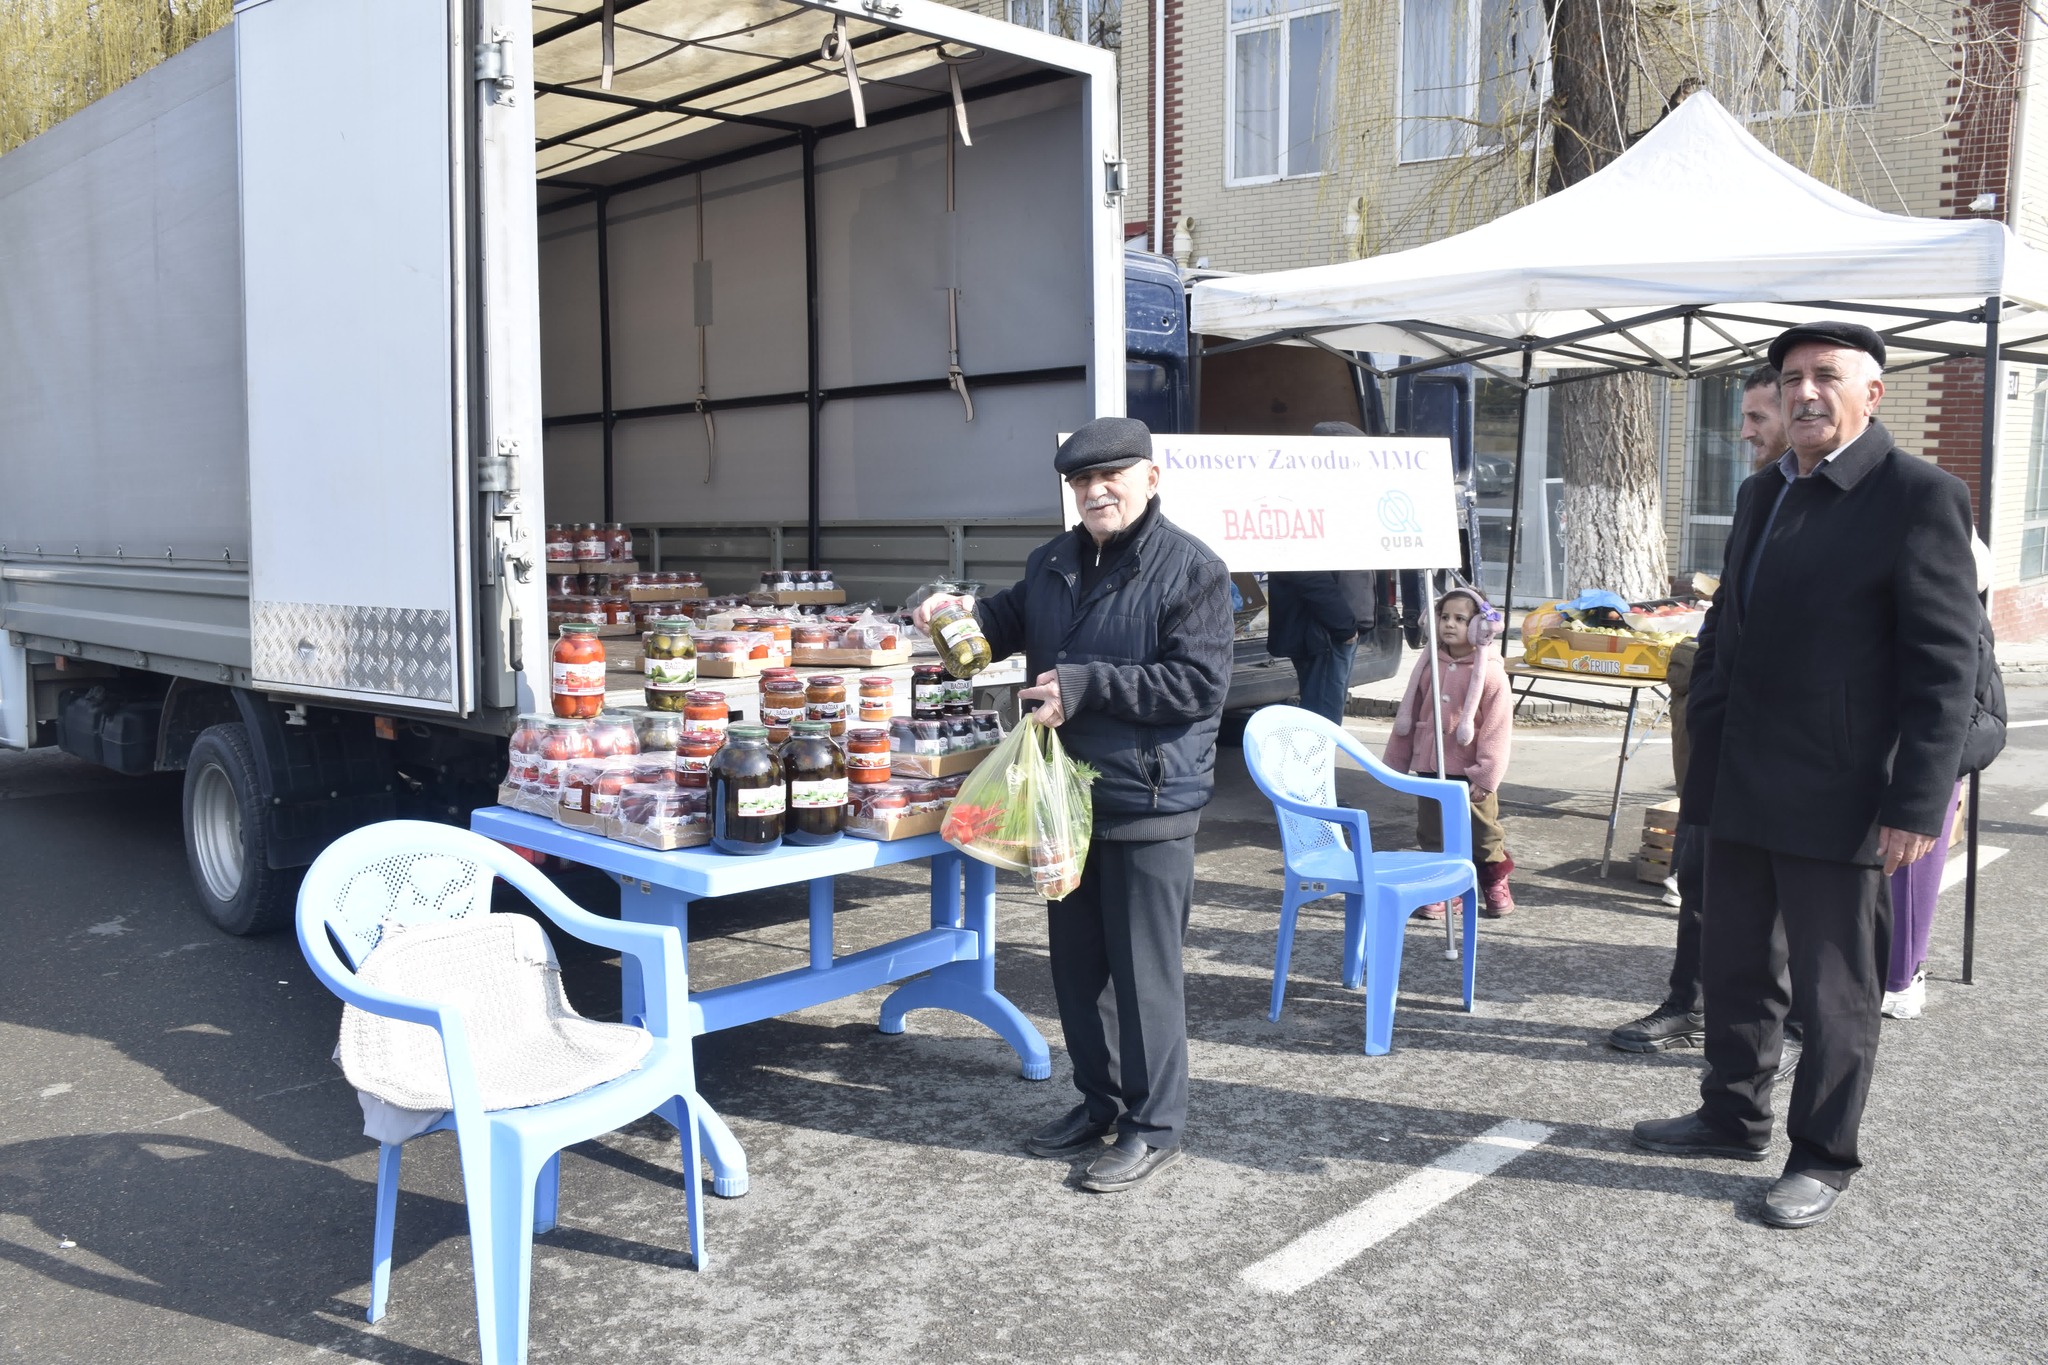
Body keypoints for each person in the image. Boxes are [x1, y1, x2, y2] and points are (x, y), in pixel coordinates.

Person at [1632, 323, 1979, 1230]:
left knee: (1834, 992)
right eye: (1792, 379)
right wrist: (1706, 755)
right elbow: (1729, 630)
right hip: (1741, 781)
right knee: (1736, 966)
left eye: (1827, 376)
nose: (1806, 393)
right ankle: (1730, 1116)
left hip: (1843, 793)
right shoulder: (1763, 490)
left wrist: (1915, 803)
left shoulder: (1919, 496)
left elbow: (1944, 669)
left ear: (1873, 393)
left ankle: (1823, 1154)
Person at [914, 416, 1233, 1194]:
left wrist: (1086, 685)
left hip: (1148, 799)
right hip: (1064, 798)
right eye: (1082, 480)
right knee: (1079, 969)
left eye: (1110, 476)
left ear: (1149, 478)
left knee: (1144, 977)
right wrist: (947, 612)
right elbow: (997, 626)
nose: (1095, 491)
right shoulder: (1053, 562)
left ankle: (1154, 1127)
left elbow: (1198, 685)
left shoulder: (1192, 569)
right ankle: (1100, 1104)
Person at [1611, 364, 1793, 1055]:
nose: (1743, 432)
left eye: (1757, 418)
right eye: (1744, 417)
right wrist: (1709, 702)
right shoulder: (1757, 494)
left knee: (1786, 901)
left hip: (1798, 749)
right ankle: (1685, 1003)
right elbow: (1726, 611)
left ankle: (1783, 1028)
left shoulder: (1862, 503)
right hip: (1726, 738)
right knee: (1700, 875)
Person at [1882, 535, 2005, 1019]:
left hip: (1932, 743)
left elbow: (1954, 697)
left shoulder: (1942, 580)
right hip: (1919, 736)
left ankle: (1902, 976)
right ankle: (1894, 971)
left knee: (1907, 857)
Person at [1381, 585, 1516, 917]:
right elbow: (1409, 713)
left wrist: (1486, 775)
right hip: (1430, 764)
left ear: (1480, 626)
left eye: (1460, 618)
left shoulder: (1491, 672)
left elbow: (1498, 727)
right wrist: (1397, 761)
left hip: (1471, 771)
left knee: (1482, 833)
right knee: (1432, 832)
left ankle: (1493, 879)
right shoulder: (1429, 665)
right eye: (1444, 617)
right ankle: (1444, 888)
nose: (1449, 624)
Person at [1265, 421, 1381, 723]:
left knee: (1321, 720)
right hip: (1325, 632)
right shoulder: (1308, 502)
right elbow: (1307, 573)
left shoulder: (1334, 499)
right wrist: (1344, 628)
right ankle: (1315, 760)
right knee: (1323, 724)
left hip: (1332, 629)